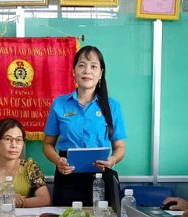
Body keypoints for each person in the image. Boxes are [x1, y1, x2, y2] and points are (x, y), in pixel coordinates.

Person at [42, 45, 126, 206]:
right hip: (67, 175)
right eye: (81, 65)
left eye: (93, 66)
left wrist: (112, 160)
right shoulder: (60, 104)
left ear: (101, 73)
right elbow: (47, 144)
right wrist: (58, 161)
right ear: (73, 71)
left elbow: (120, 147)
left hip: (101, 177)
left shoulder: (112, 106)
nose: (87, 71)